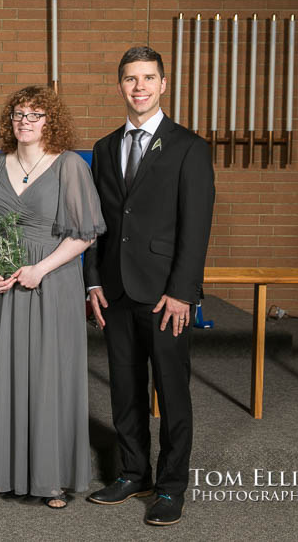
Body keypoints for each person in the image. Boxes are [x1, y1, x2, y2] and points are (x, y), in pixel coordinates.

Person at [0, 86, 105, 509]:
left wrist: (40, 270)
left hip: (51, 281)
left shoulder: (70, 166)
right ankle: (4, 471)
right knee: (5, 372)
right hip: (4, 282)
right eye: (19, 114)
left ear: (50, 121)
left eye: (35, 115)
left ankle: (51, 478)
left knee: (47, 377)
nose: (25, 121)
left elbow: (85, 234)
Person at [84, 46, 215, 526]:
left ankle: (171, 484)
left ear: (163, 84)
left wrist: (184, 292)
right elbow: (96, 223)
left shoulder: (188, 148)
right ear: (120, 86)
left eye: (147, 78)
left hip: (166, 294)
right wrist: (92, 281)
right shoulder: (103, 148)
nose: (138, 87)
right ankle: (132, 471)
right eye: (130, 79)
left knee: (172, 388)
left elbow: (196, 226)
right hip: (116, 289)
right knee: (124, 386)